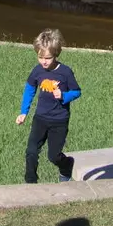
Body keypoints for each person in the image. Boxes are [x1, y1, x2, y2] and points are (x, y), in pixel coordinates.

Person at [14, 28, 81, 183]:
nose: (43, 61)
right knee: (31, 151)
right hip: (40, 118)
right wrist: (24, 112)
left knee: (53, 156)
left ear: (56, 54)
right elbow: (30, 89)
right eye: (40, 57)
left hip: (59, 120)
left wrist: (64, 96)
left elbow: (77, 91)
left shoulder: (65, 72)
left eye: (48, 58)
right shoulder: (37, 71)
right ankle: (30, 182)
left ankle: (67, 166)